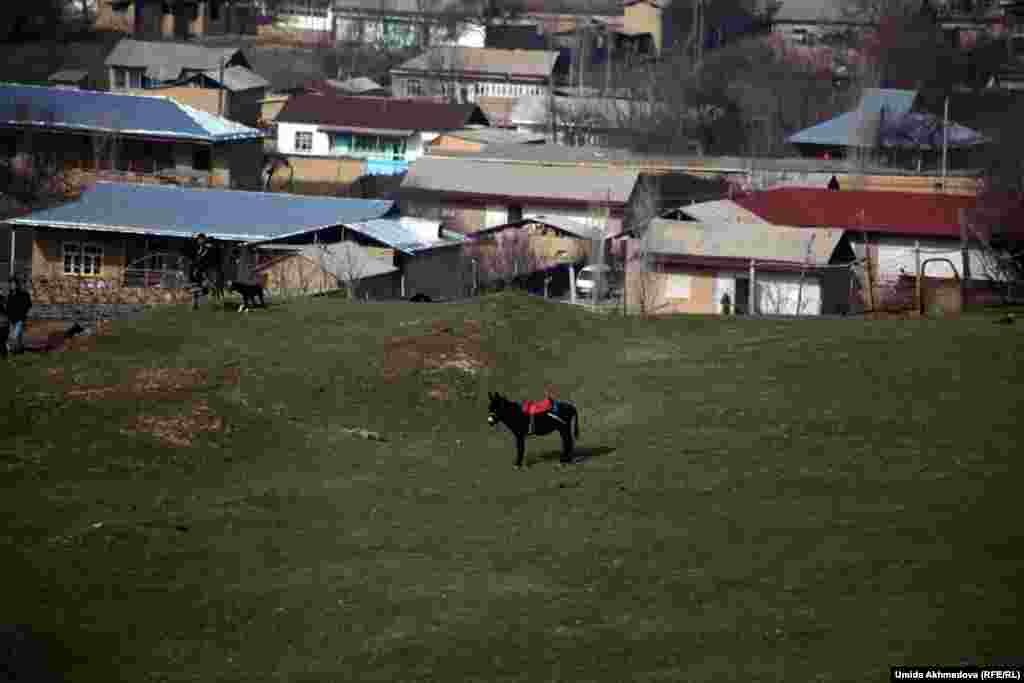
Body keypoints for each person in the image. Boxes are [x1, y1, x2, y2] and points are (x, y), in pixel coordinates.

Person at [5, 277, 31, 354]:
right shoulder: (10, 295)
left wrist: (23, 314)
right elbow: (8, 307)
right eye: (11, 284)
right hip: (11, 319)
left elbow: (28, 305)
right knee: (17, 336)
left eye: (14, 284)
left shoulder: (23, 294)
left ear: (17, 285)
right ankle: (19, 349)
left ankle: (12, 349)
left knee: (14, 336)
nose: (12, 285)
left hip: (20, 319)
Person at [0, 288, 9, 360]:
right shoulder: (4, 300)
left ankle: (4, 354)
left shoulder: (4, 300)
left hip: (3, 323)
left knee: (2, 340)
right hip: (4, 323)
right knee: (3, 340)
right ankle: (4, 354)